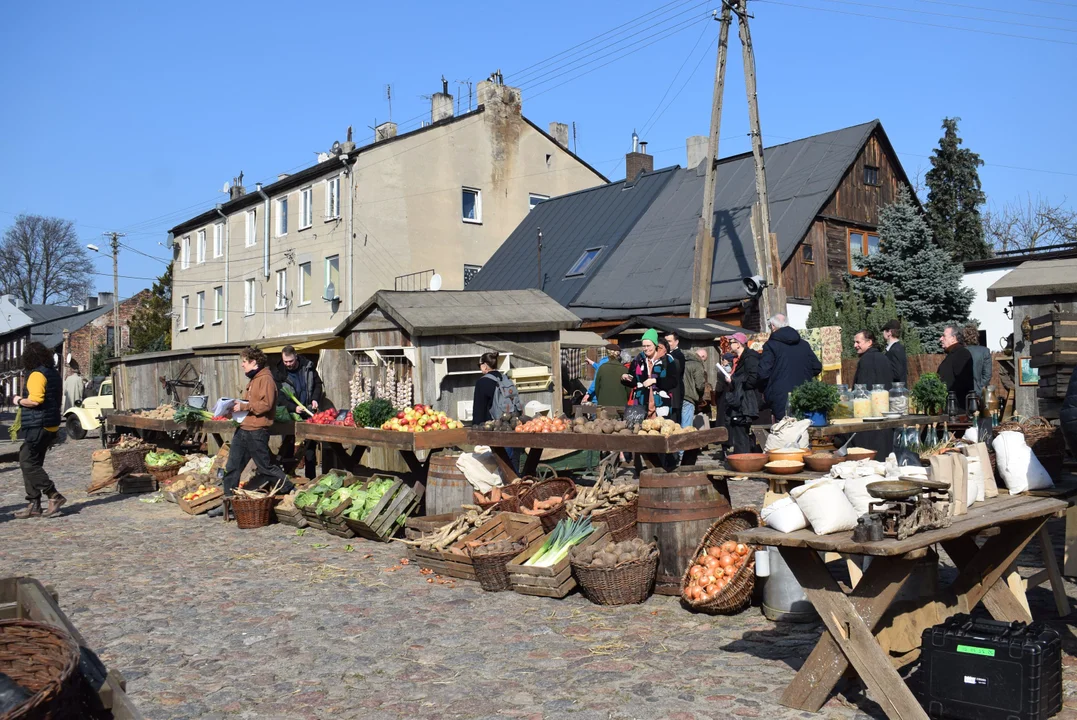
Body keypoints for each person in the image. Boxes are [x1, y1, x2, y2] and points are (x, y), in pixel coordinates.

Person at [214, 347, 287, 516]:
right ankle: (229, 503)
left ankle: (292, 492)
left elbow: (266, 405)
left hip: (256, 431)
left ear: (254, 362)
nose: (242, 365)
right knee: (232, 467)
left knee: (266, 467)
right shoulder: (255, 378)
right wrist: (234, 409)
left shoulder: (266, 379)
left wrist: (244, 406)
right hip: (244, 429)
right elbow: (253, 403)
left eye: (245, 362)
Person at [11, 343, 66, 519]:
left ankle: (53, 494)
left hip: (39, 425)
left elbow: (35, 401)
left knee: (27, 462)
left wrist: (19, 400)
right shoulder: (53, 374)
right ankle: (34, 504)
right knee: (32, 463)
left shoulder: (36, 374)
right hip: (50, 425)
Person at [756, 314, 822, 420]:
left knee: (785, 431)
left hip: (780, 396)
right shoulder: (804, 344)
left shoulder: (771, 345)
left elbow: (763, 373)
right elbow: (817, 367)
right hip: (804, 393)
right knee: (804, 429)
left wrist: (764, 387)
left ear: (773, 326)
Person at [273, 346, 323, 479]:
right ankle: (289, 476)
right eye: (285, 362)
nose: (288, 364)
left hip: (308, 410)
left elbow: (318, 384)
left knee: (310, 449)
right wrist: (293, 407)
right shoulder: (278, 372)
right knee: (288, 445)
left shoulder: (308, 366)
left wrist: (315, 399)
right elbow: (278, 396)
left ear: (296, 356)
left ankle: (311, 478)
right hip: (290, 414)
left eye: (290, 361)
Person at [621, 329, 677, 418]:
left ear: (655, 345)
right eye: (644, 346)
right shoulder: (637, 360)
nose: (646, 349)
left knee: (660, 430)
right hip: (641, 403)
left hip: (661, 404)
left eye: (648, 346)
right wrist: (626, 378)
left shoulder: (667, 360)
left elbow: (673, 381)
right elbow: (634, 381)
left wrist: (655, 381)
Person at [724, 332, 761, 454]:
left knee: (742, 434)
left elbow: (753, 377)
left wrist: (736, 381)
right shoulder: (739, 359)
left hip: (745, 400)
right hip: (740, 400)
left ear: (739, 344)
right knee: (739, 433)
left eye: (731, 342)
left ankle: (744, 462)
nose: (729, 345)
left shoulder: (750, 357)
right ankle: (743, 460)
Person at [472, 352, 522, 425]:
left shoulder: (482, 382)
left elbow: (479, 410)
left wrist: (476, 427)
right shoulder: (505, 378)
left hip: (493, 426)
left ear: (484, 366)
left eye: (479, 365)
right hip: (510, 422)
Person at [938, 324, 974, 401]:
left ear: (953, 338)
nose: (941, 339)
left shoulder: (961, 353)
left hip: (956, 407)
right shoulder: (952, 354)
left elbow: (963, 382)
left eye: (944, 336)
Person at [664, 331, 692, 429]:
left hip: (675, 392)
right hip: (667, 392)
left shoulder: (678, 355)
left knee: (674, 422)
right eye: (666, 341)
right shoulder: (667, 355)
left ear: (677, 342)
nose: (667, 344)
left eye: (670, 341)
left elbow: (675, 372)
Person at [963, 325, 993, 397]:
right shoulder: (985, 351)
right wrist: (980, 387)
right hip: (979, 391)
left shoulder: (960, 351)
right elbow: (987, 375)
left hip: (963, 391)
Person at [683, 347, 708, 419]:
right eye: (704, 360)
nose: (703, 362)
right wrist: (700, 396)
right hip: (689, 397)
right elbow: (700, 385)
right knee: (687, 427)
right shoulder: (697, 365)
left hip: (678, 397)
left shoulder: (683, 361)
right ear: (702, 357)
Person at [882, 319, 908, 384]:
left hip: (896, 390)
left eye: (884, 331)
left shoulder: (896, 349)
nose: (883, 333)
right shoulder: (895, 348)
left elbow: (897, 373)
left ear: (889, 332)